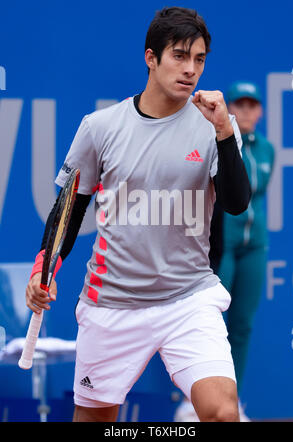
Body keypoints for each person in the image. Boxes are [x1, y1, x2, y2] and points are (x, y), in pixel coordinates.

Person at [25, 7, 251, 422]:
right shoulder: (100, 127)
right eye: (179, 56)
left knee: (222, 413)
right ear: (151, 58)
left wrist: (222, 132)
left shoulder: (216, 125)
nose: (191, 70)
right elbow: (68, 212)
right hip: (112, 303)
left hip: (189, 298)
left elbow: (236, 203)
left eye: (199, 59)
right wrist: (46, 267)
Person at [217, 81, 275, 420]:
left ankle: (231, 404)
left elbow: (258, 193)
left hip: (255, 246)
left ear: (261, 111)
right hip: (222, 243)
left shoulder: (267, 149)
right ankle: (193, 402)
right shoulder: (224, 143)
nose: (247, 111)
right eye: (240, 104)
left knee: (242, 324)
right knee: (211, 325)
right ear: (230, 110)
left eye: (253, 105)